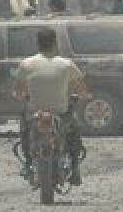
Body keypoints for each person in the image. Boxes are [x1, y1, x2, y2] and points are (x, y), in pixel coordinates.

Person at [13, 27, 90, 186]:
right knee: (74, 132)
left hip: (35, 113)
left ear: (38, 44)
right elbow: (83, 91)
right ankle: (75, 168)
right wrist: (83, 96)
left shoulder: (26, 64)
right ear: (55, 43)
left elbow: (18, 93)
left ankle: (28, 163)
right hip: (61, 113)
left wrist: (25, 96)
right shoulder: (67, 64)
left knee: (25, 131)